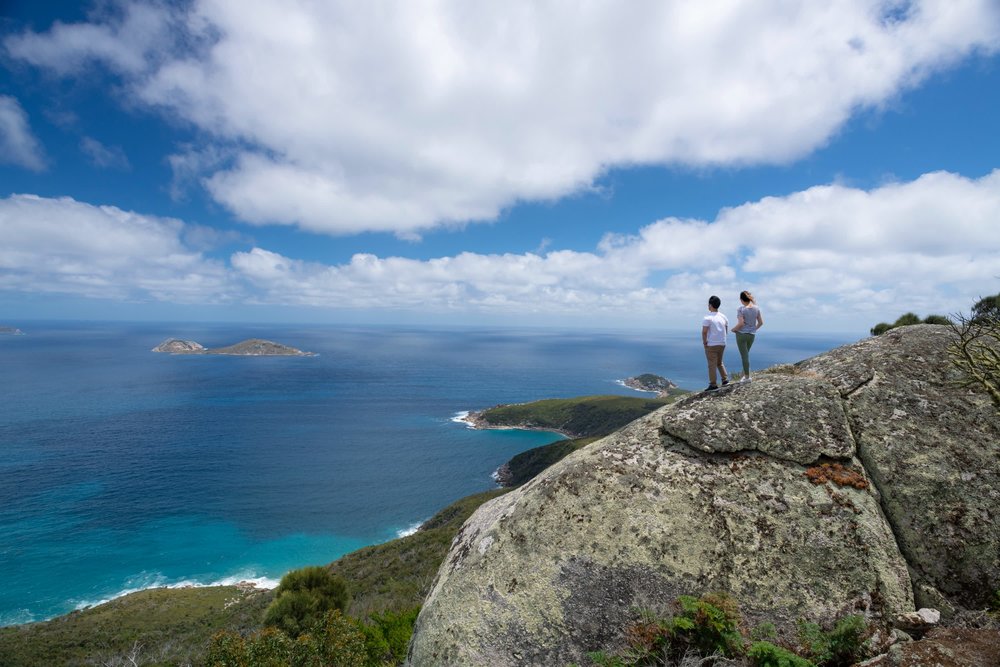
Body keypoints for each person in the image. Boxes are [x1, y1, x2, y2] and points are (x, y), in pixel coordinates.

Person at [731, 290, 764, 382]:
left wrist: (733, 329)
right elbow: (761, 323)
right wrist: (753, 329)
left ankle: (747, 377)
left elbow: (741, 323)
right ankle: (743, 376)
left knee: (744, 356)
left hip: (741, 335)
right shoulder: (757, 308)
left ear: (741, 299)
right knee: (746, 355)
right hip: (751, 335)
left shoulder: (741, 309)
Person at [701, 295, 729, 391]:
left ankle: (713, 384)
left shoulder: (708, 318)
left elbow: (704, 332)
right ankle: (725, 380)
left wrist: (705, 342)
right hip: (722, 343)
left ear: (710, 305)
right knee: (719, 362)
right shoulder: (723, 316)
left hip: (712, 344)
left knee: (711, 364)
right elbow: (726, 329)